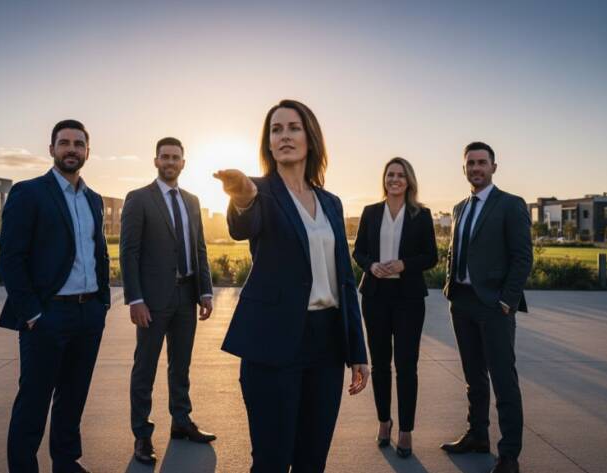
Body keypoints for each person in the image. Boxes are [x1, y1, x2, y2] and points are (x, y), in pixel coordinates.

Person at [214, 99, 369, 473]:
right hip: (273, 343)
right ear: (268, 144)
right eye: (276, 130)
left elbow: (345, 280)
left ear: (310, 137)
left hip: (327, 343)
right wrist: (243, 197)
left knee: (312, 461)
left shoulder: (331, 203)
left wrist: (357, 350)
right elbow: (242, 227)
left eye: (293, 128)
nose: (284, 136)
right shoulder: (259, 192)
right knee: (271, 460)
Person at [0, 119, 110, 473]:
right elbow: (10, 259)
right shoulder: (29, 193)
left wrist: (102, 304)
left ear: (88, 152)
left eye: (79, 144)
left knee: (73, 398)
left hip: (87, 313)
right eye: (64, 143)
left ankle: (66, 462)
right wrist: (31, 313)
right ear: (52, 149)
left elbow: (98, 253)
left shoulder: (94, 199)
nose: (72, 149)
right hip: (47, 316)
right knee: (33, 401)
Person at [120, 137, 215, 465]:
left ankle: (181, 421)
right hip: (152, 300)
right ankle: (142, 435)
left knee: (181, 364)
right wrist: (135, 299)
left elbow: (199, 247)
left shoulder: (192, 200)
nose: (170, 162)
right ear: (156, 161)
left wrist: (205, 291)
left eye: (176, 157)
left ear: (184, 163)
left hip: (187, 295)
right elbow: (128, 252)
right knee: (144, 366)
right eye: (165, 157)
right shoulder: (139, 199)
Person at [440, 142, 532, 473]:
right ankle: (478, 434)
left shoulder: (510, 205)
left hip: (494, 306)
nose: (476, 168)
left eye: (482, 162)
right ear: (463, 168)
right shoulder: (458, 208)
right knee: (473, 377)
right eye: (470, 163)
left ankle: (509, 454)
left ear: (494, 166)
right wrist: (450, 288)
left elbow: (523, 257)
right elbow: (456, 250)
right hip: (462, 302)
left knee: (503, 379)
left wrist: (507, 300)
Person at [352, 157, 437, 457]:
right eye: (390, 175)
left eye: (401, 175)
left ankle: (406, 430)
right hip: (375, 296)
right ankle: (384, 422)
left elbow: (431, 256)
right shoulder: (370, 212)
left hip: (409, 299)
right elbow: (358, 251)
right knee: (380, 365)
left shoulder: (421, 214)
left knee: (406, 366)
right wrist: (371, 265)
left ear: (409, 180)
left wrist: (404, 264)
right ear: (384, 179)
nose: (395, 179)